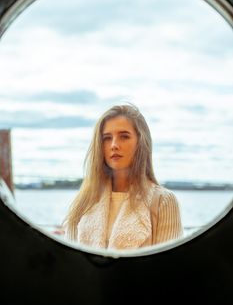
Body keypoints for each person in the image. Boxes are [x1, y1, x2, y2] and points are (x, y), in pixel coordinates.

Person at [62, 103, 183, 250]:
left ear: (141, 143)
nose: (114, 145)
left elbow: (169, 268)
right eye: (107, 138)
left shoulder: (163, 201)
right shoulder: (84, 202)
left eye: (124, 136)